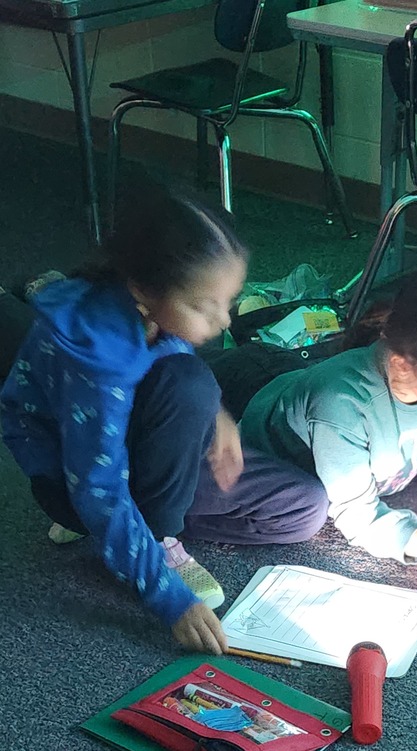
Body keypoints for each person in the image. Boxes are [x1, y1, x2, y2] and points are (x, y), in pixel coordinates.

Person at [0, 185, 328, 654]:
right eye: (203, 305)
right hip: (78, 481)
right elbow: (98, 486)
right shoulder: (98, 363)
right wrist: (170, 598)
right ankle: (152, 538)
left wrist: (215, 415)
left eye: (228, 300)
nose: (224, 322)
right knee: (192, 382)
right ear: (142, 289)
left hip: (142, 443)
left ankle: (131, 527)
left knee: (305, 508)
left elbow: (169, 344)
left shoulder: (147, 307)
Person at [239, 265, 417, 588]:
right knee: (310, 506)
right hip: (260, 449)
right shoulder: (341, 404)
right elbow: (360, 517)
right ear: (402, 365)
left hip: (303, 389)